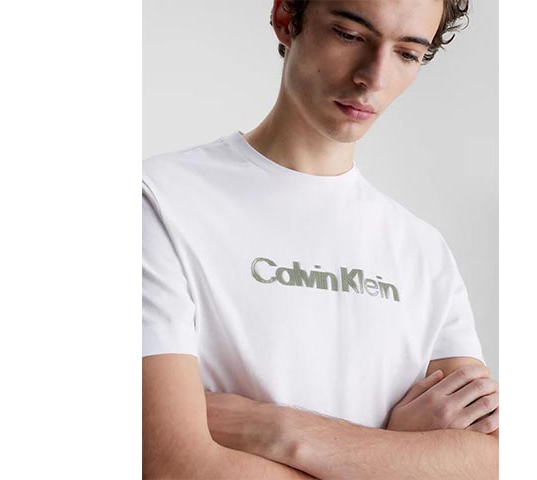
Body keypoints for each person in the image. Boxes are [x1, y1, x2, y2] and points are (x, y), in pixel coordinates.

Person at [142, 0, 499, 478]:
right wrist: (399, 456)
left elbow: (488, 462)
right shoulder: (159, 201)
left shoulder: (424, 251)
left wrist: (279, 430)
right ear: (285, 19)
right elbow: (175, 467)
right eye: (349, 35)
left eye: (407, 54)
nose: (373, 78)